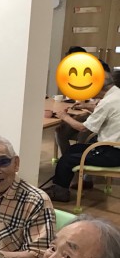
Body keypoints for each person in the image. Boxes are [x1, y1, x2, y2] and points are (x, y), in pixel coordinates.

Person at [45, 72, 120, 202]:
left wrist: (64, 116)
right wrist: (86, 106)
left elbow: (83, 128)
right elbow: (105, 111)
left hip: (112, 153)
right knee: (74, 149)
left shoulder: (108, 102)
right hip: (112, 149)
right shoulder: (116, 94)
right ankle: (60, 185)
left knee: (67, 159)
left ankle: (60, 192)